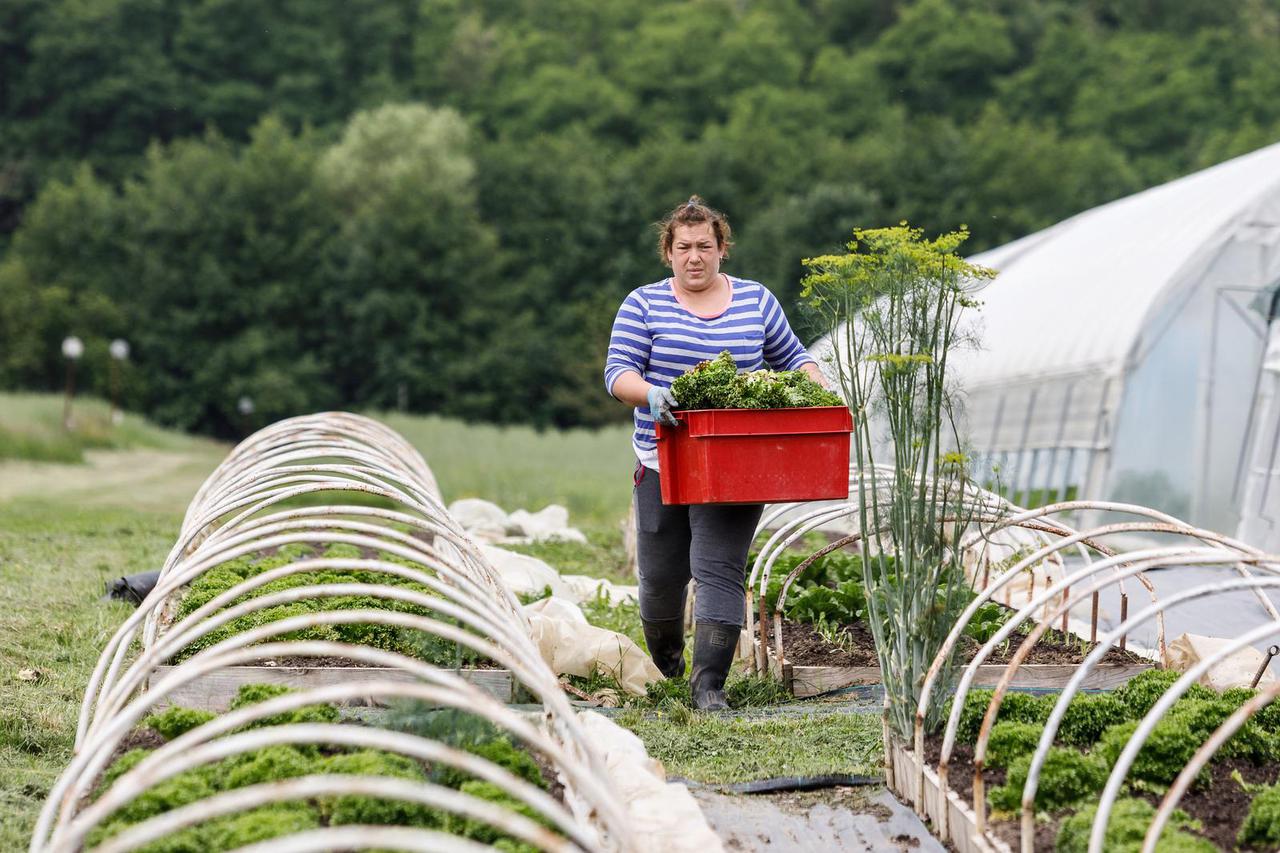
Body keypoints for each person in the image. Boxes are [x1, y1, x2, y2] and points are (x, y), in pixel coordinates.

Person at [603, 196, 827, 710]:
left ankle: (709, 688)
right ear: (669, 252)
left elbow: (793, 356)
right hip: (665, 461)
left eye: (705, 246)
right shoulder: (643, 304)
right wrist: (650, 394)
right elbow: (618, 374)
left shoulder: (755, 302)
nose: (695, 257)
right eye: (684, 247)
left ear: (722, 248)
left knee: (718, 568)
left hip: (735, 465)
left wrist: (819, 391)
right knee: (661, 579)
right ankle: (667, 665)